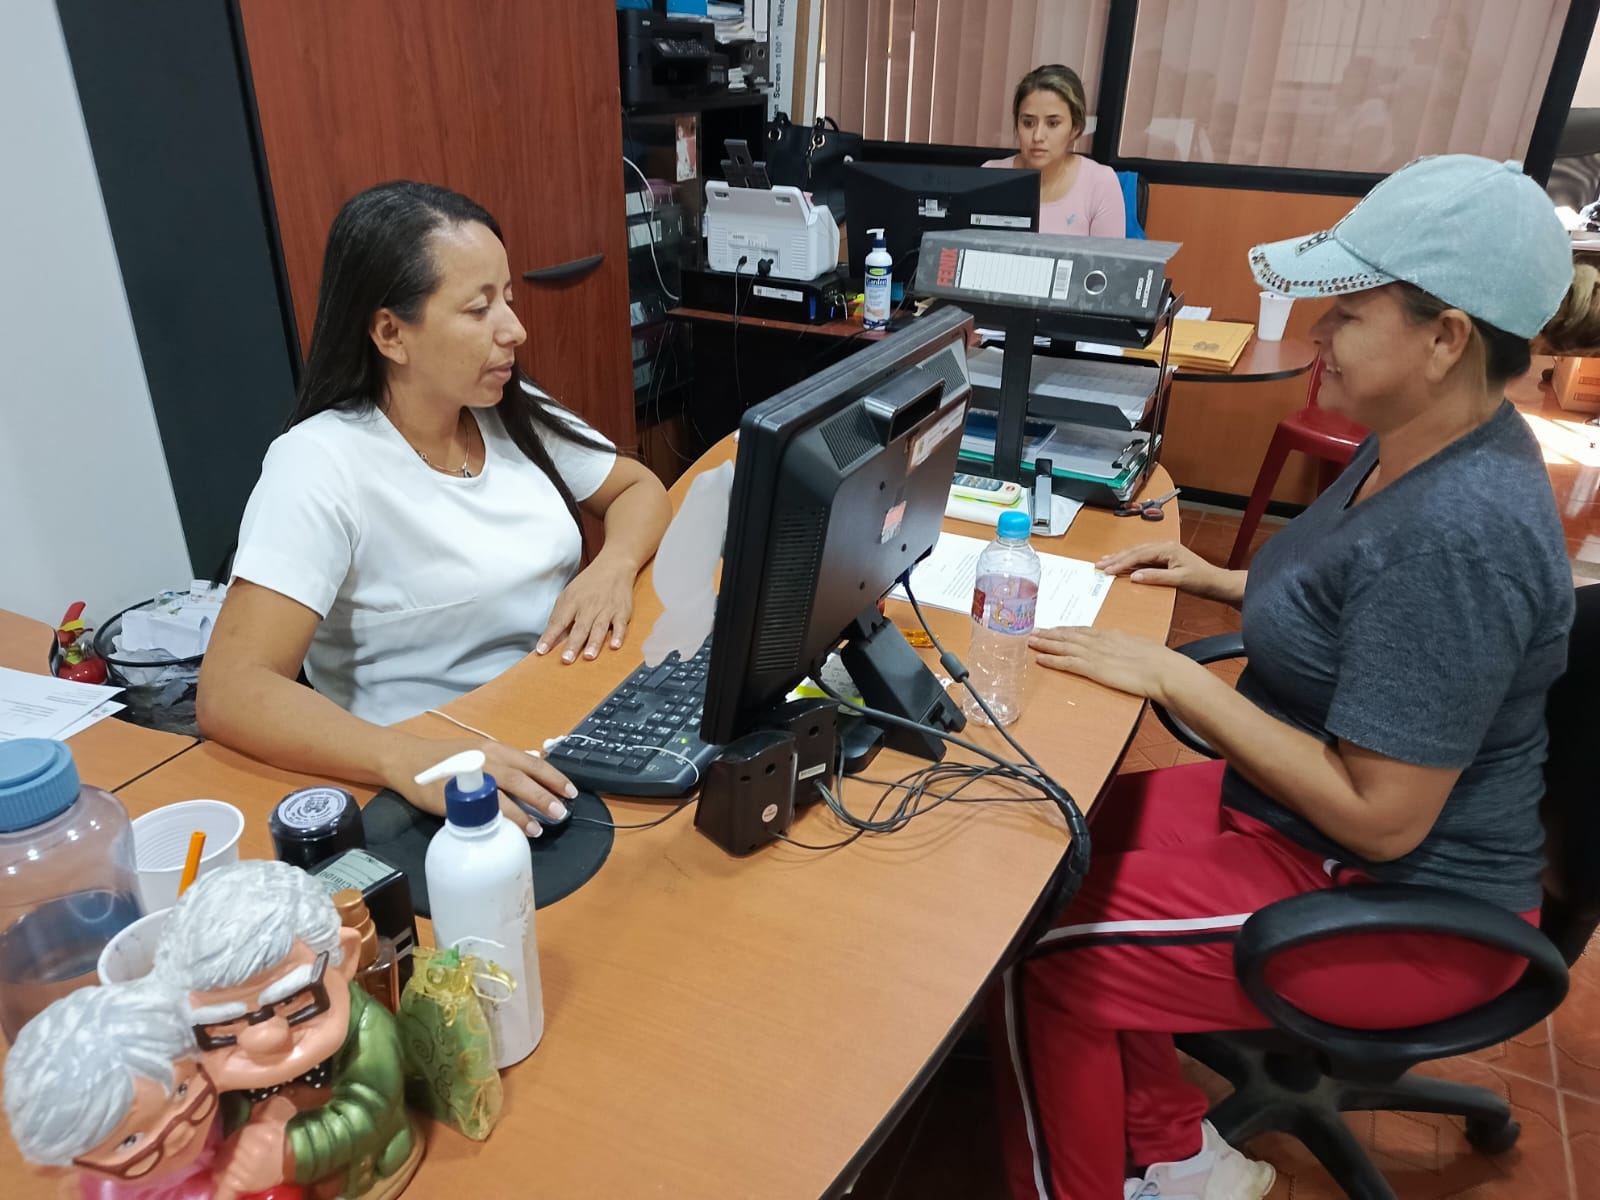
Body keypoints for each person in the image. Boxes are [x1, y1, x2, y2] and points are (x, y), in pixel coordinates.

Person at [994, 154, 1600, 1199]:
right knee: (1053, 847)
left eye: (1348, 314)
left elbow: (1382, 820)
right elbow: (1355, 600)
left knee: (1043, 951)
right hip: (1305, 829)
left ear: (1445, 339)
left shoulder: (1458, 535)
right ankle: (1175, 1154)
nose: (1319, 333)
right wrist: (1220, 579)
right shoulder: (1414, 439)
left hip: (1399, 904)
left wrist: (1178, 681)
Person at [198, 181, 671, 833]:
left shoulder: (503, 406)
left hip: (558, 718)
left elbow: (639, 488)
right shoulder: (319, 463)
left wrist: (612, 566)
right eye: (479, 309)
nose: (515, 329)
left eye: (508, 299)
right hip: (431, 777)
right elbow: (231, 691)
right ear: (391, 333)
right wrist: (408, 759)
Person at [154, 860, 416, 1200]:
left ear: (345, 956)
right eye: (226, 1022)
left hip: (351, 1150)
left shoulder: (369, 1029)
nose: (264, 1037)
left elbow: (368, 1110)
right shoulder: (202, 1052)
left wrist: (290, 1152)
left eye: (291, 1000)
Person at [3, 980, 236, 1200]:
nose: (179, 1133)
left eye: (182, 1090)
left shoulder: (204, 1105)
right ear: (58, 1167)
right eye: (130, 1141)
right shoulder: (115, 1193)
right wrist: (228, 1182)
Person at [985, 64, 1125, 238]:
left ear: (1075, 128)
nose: (1037, 136)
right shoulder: (990, 176)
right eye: (1028, 123)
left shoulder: (1100, 183)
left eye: (1052, 123)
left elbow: (1107, 256)